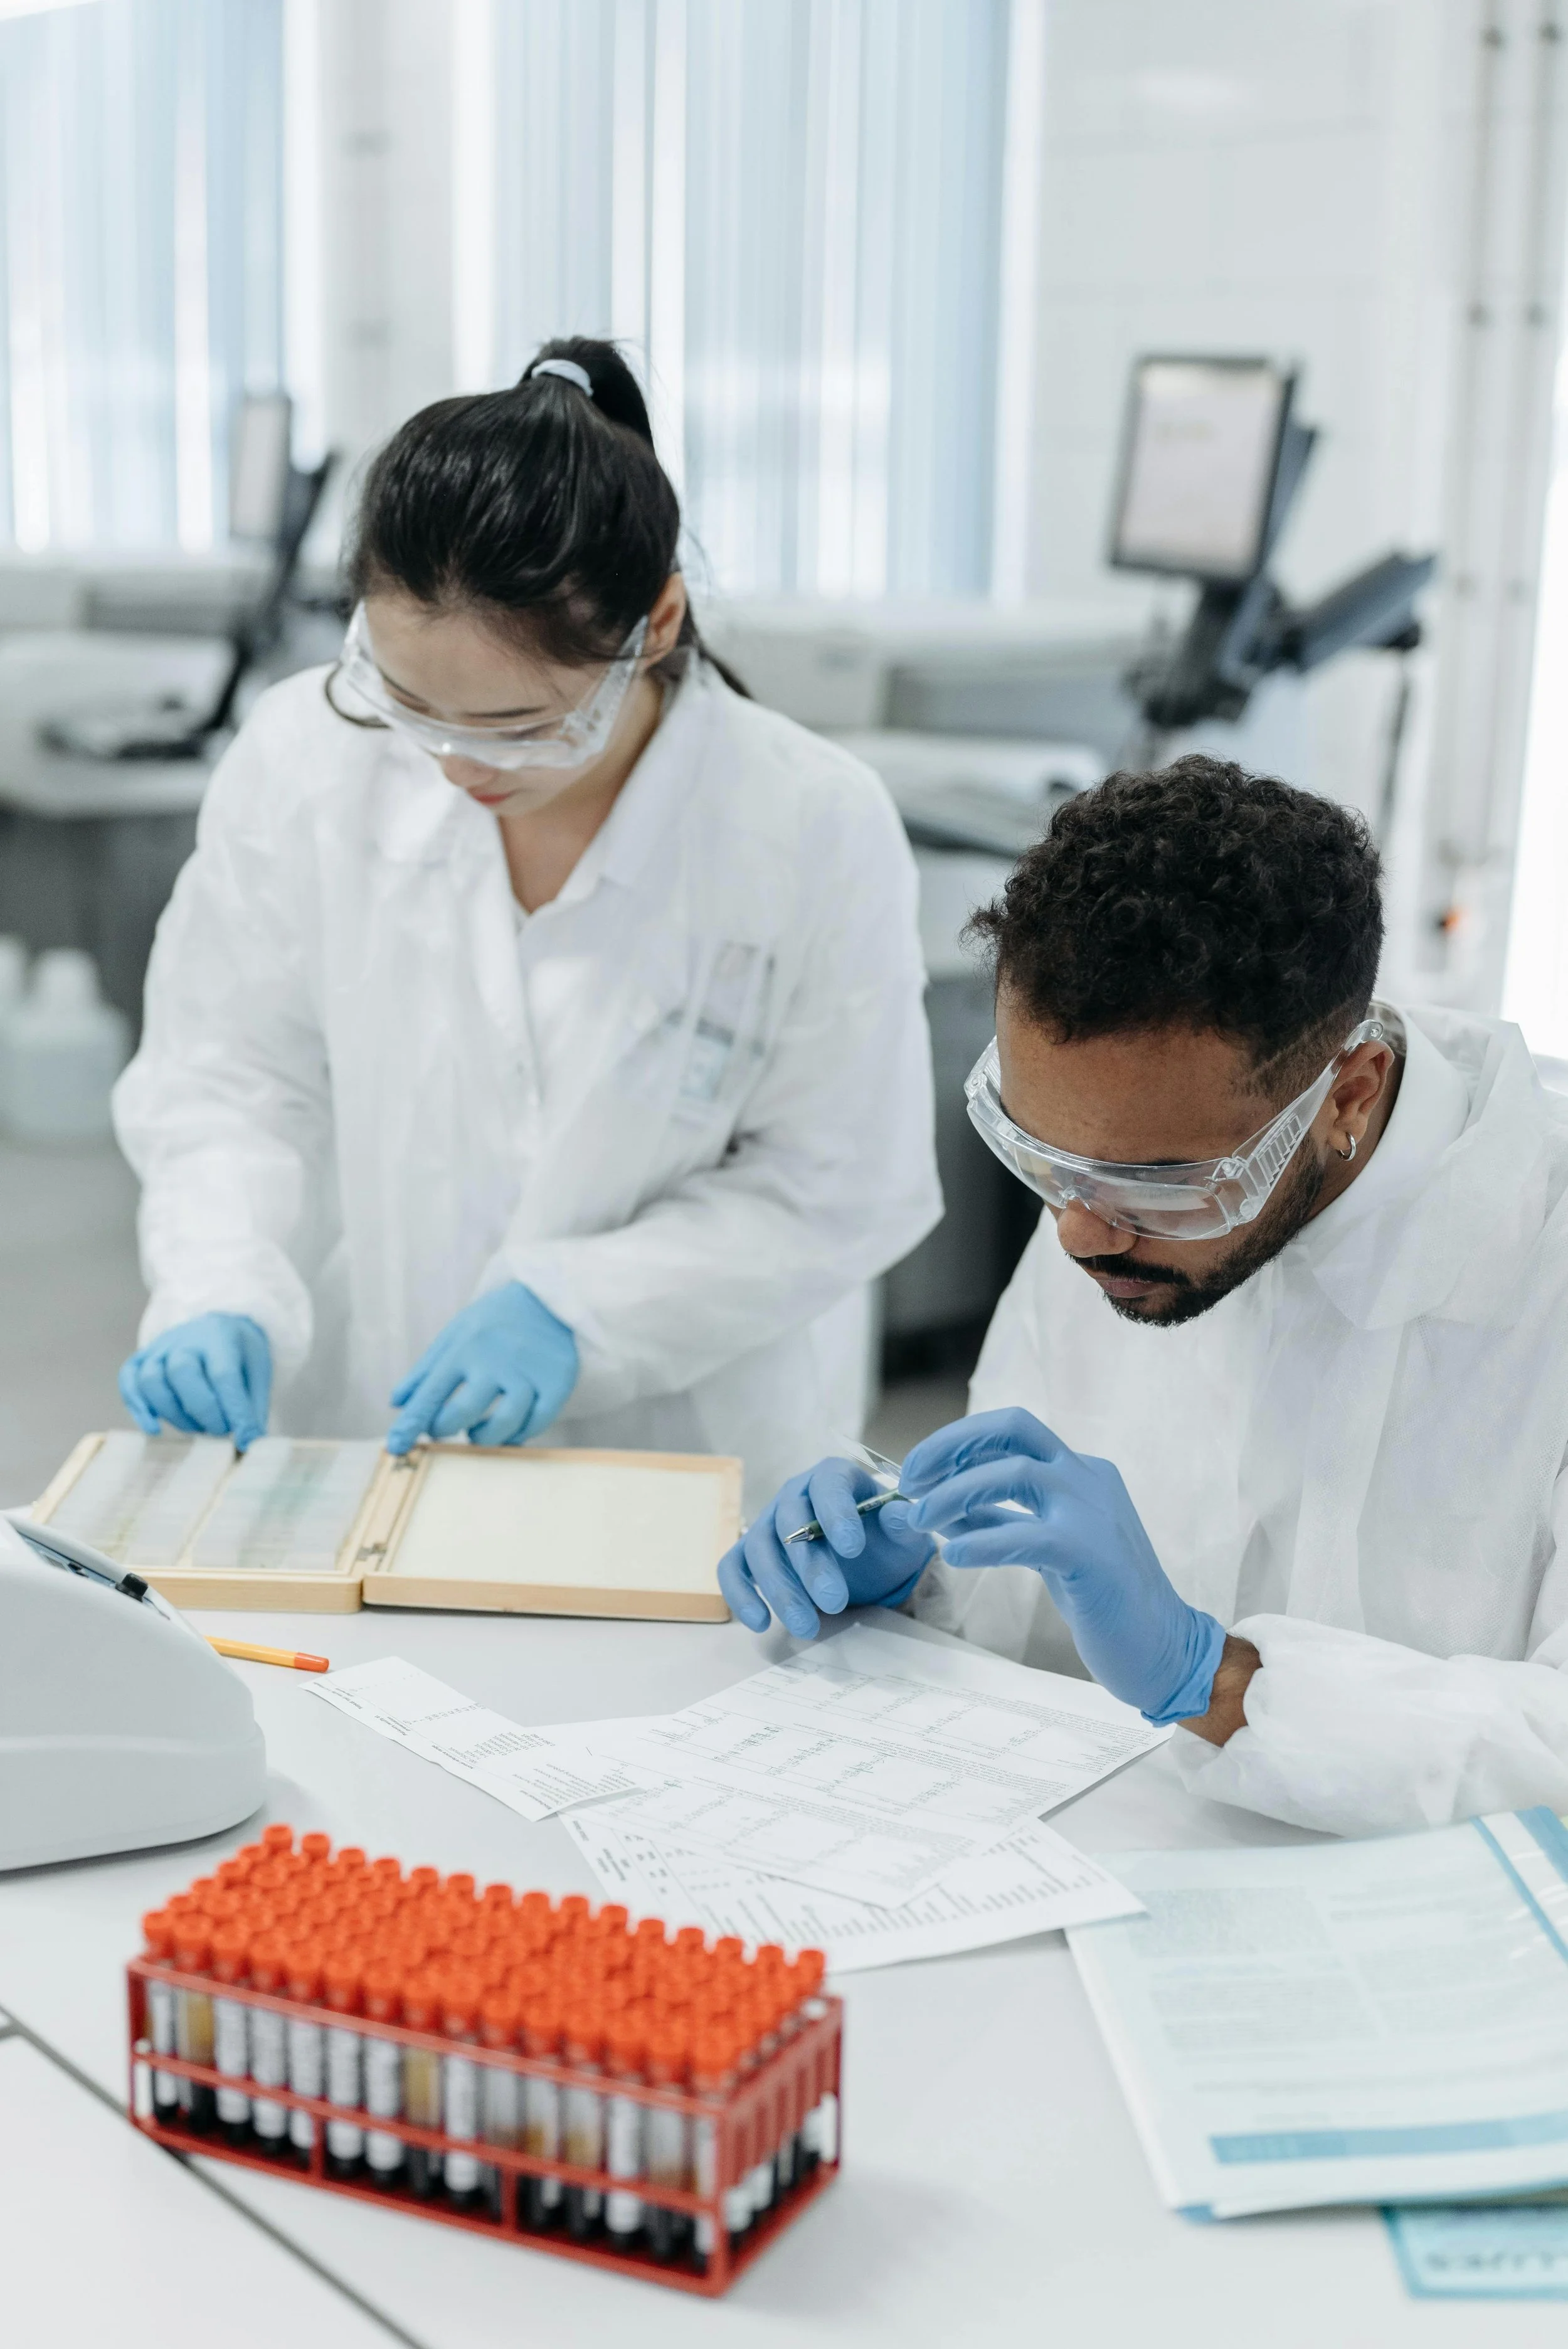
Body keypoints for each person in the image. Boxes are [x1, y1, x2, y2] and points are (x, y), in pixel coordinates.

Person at [114, 338, 940, 1509]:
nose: (455, 764)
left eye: (515, 724)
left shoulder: (806, 825)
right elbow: (230, 1077)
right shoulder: (306, 761)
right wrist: (220, 1284)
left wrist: (581, 1309)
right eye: (408, 705)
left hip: (685, 1463)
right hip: (369, 1426)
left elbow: (842, 1181)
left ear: (655, 623)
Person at [722, 755, 1568, 1838]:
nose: (1078, 1230)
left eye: (1154, 1184)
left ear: (1346, 1095)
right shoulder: (1114, 1177)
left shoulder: (1536, 1265)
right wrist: (921, 1566)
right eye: (1041, 1156)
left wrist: (1215, 1678)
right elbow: (1032, 1620)